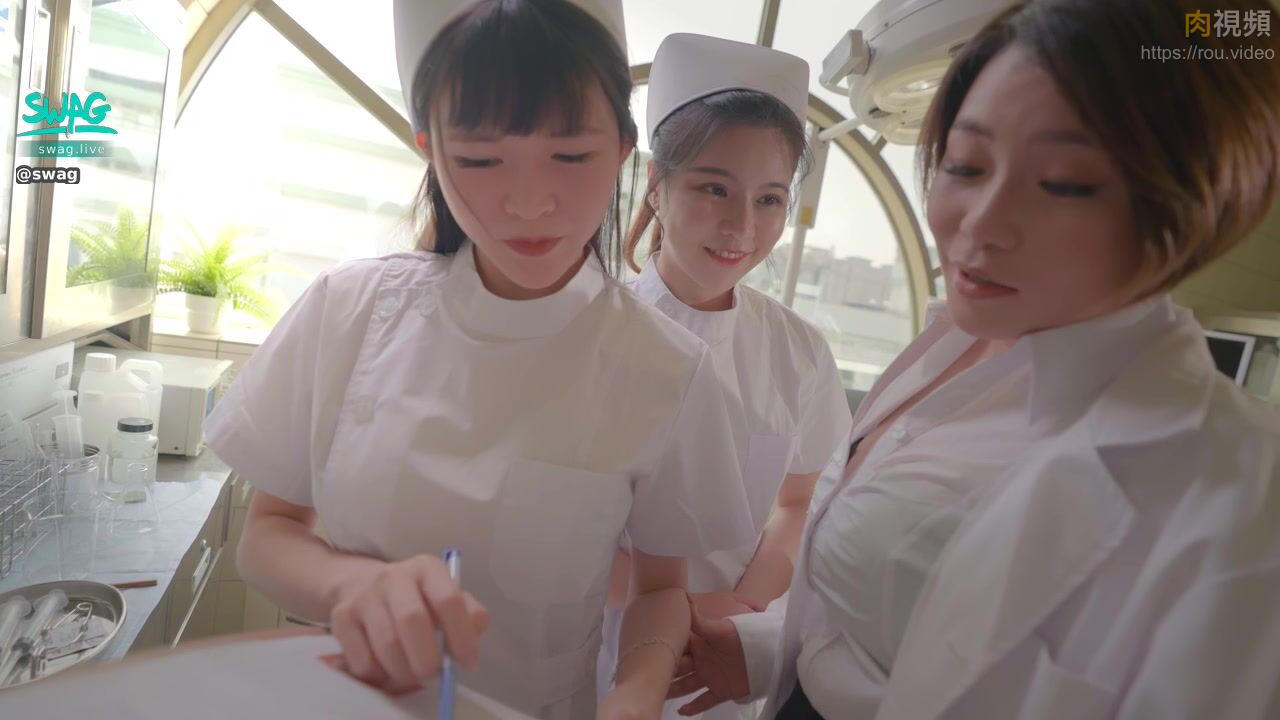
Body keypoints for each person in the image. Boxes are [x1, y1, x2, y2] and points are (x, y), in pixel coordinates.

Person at [667, 1, 1280, 718]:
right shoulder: (956, 342)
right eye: (965, 165)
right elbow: (906, 606)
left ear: (1193, 202)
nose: (981, 222)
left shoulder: (1243, 499)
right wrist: (770, 648)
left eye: (1065, 183)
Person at [204, 2, 758, 718]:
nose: (528, 203)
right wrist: (351, 584)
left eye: (570, 156)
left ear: (624, 151)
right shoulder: (350, 308)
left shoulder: (666, 369)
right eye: (479, 159)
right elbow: (265, 536)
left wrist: (636, 691)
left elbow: (659, 589)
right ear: (430, 150)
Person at [596, 34, 852, 720]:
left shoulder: (799, 351)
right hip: (589, 641)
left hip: (724, 657)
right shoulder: (592, 332)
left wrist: (737, 606)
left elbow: (800, 501)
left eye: (770, 199)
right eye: (715, 188)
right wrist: (666, 609)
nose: (742, 225)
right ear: (657, 184)